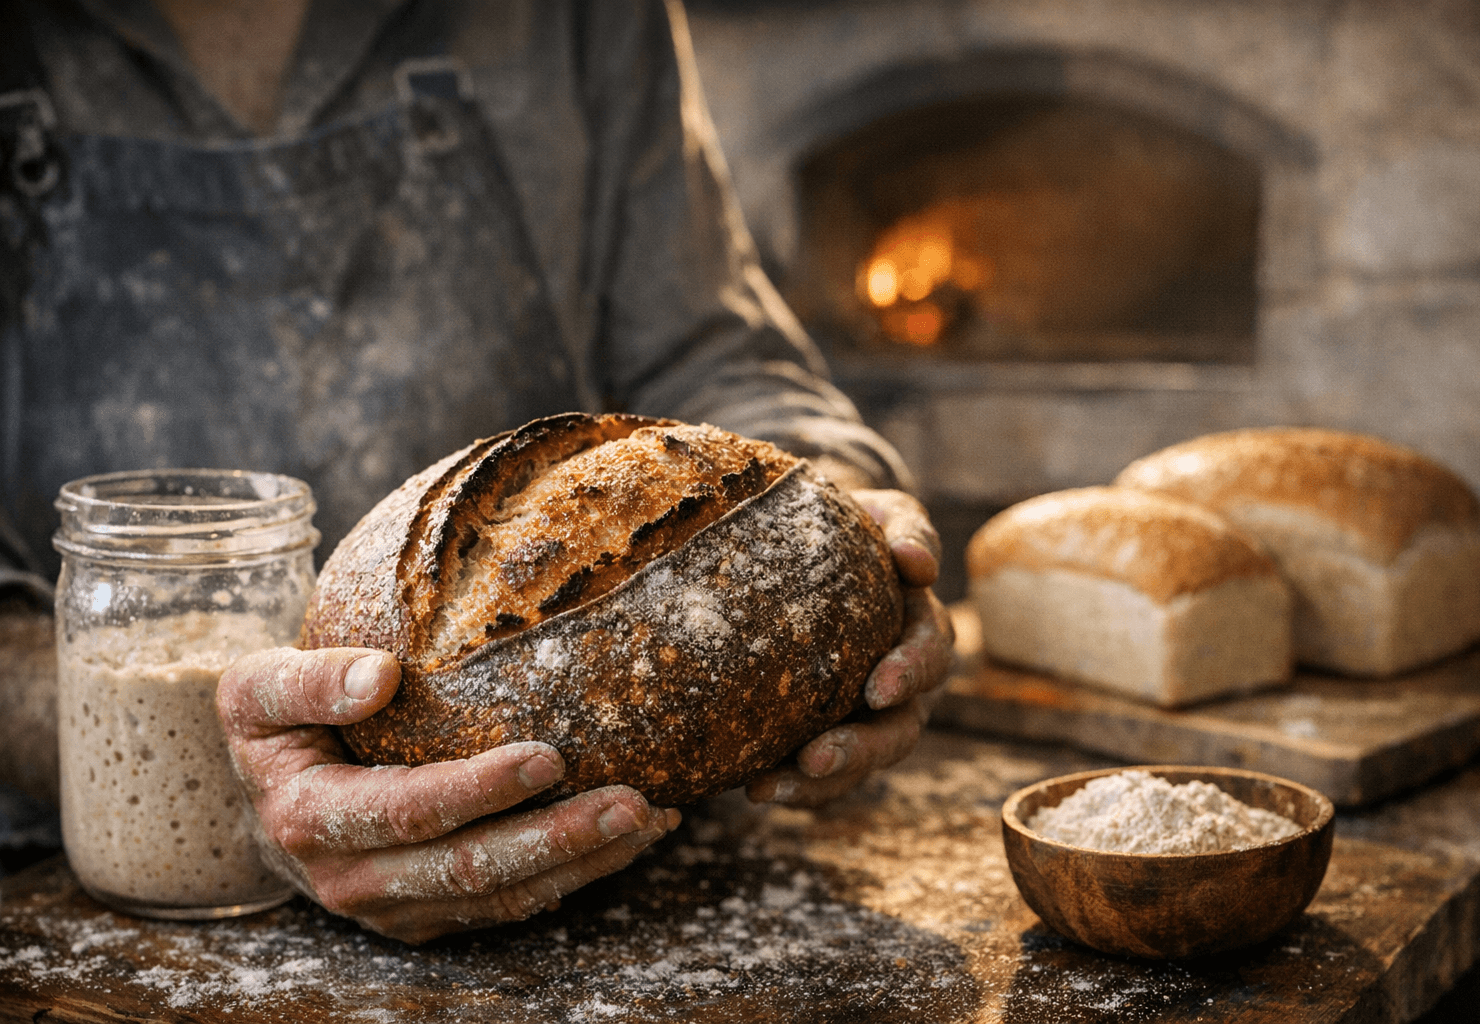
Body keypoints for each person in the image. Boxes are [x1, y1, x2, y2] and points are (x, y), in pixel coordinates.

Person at [0, 0, 953, 943]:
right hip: (93, 881)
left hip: (630, 868)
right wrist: (175, 753)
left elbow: (718, 361)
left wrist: (829, 537)